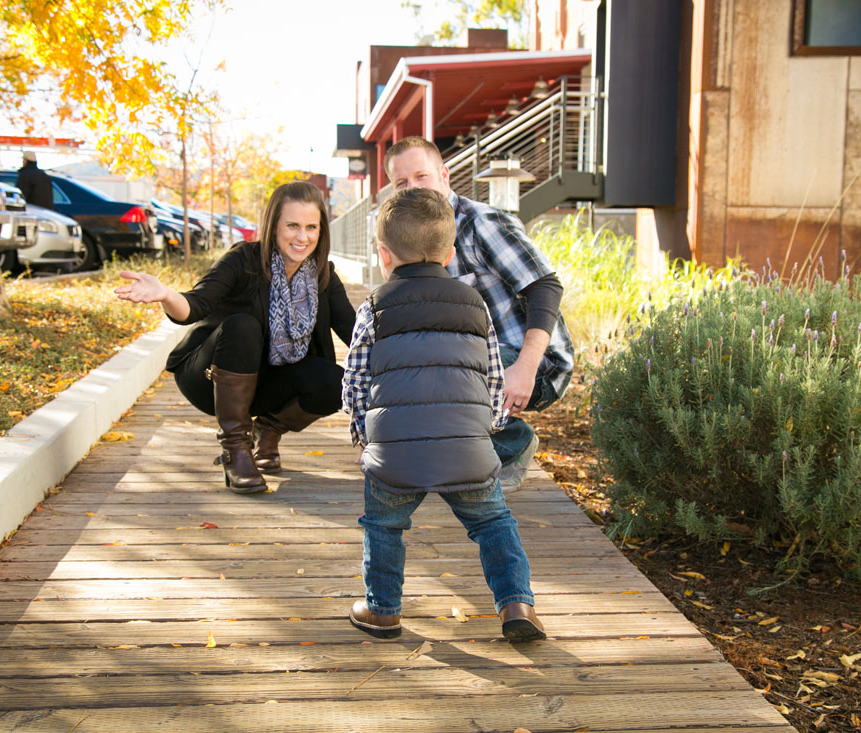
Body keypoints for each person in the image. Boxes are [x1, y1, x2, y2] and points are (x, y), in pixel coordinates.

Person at [342, 187, 545, 644]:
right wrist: (486, 431)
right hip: (467, 450)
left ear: (384, 254)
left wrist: (364, 438)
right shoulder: (476, 306)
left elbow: (354, 381)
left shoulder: (373, 307)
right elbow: (494, 378)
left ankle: (382, 611)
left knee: (383, 525)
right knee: (493, 522)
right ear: (450, 253)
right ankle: (517, 604)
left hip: (394, 454)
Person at [114, 181, 355, 494]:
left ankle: (267, 431)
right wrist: (165, 295)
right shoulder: (244, 260)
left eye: (312, 227)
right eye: (292, 225)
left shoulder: (323, 275)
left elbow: (355, 333)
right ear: (273, 226)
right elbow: (194, 305)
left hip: (269, 382)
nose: (302, 237)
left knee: (336, 380)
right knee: (242, 325)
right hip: (210, 379)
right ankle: (235, 449)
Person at [383, 136, 574, 492]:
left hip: (532, 362)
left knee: (437, 374)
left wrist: (526, 368)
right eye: (401, 183)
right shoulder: (408, 237)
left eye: (421, 176)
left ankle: (513, 444)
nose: (413, 189)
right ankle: (466, 446)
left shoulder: (481, 223)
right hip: (471, 361)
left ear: (444, 175)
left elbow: (545, 287)